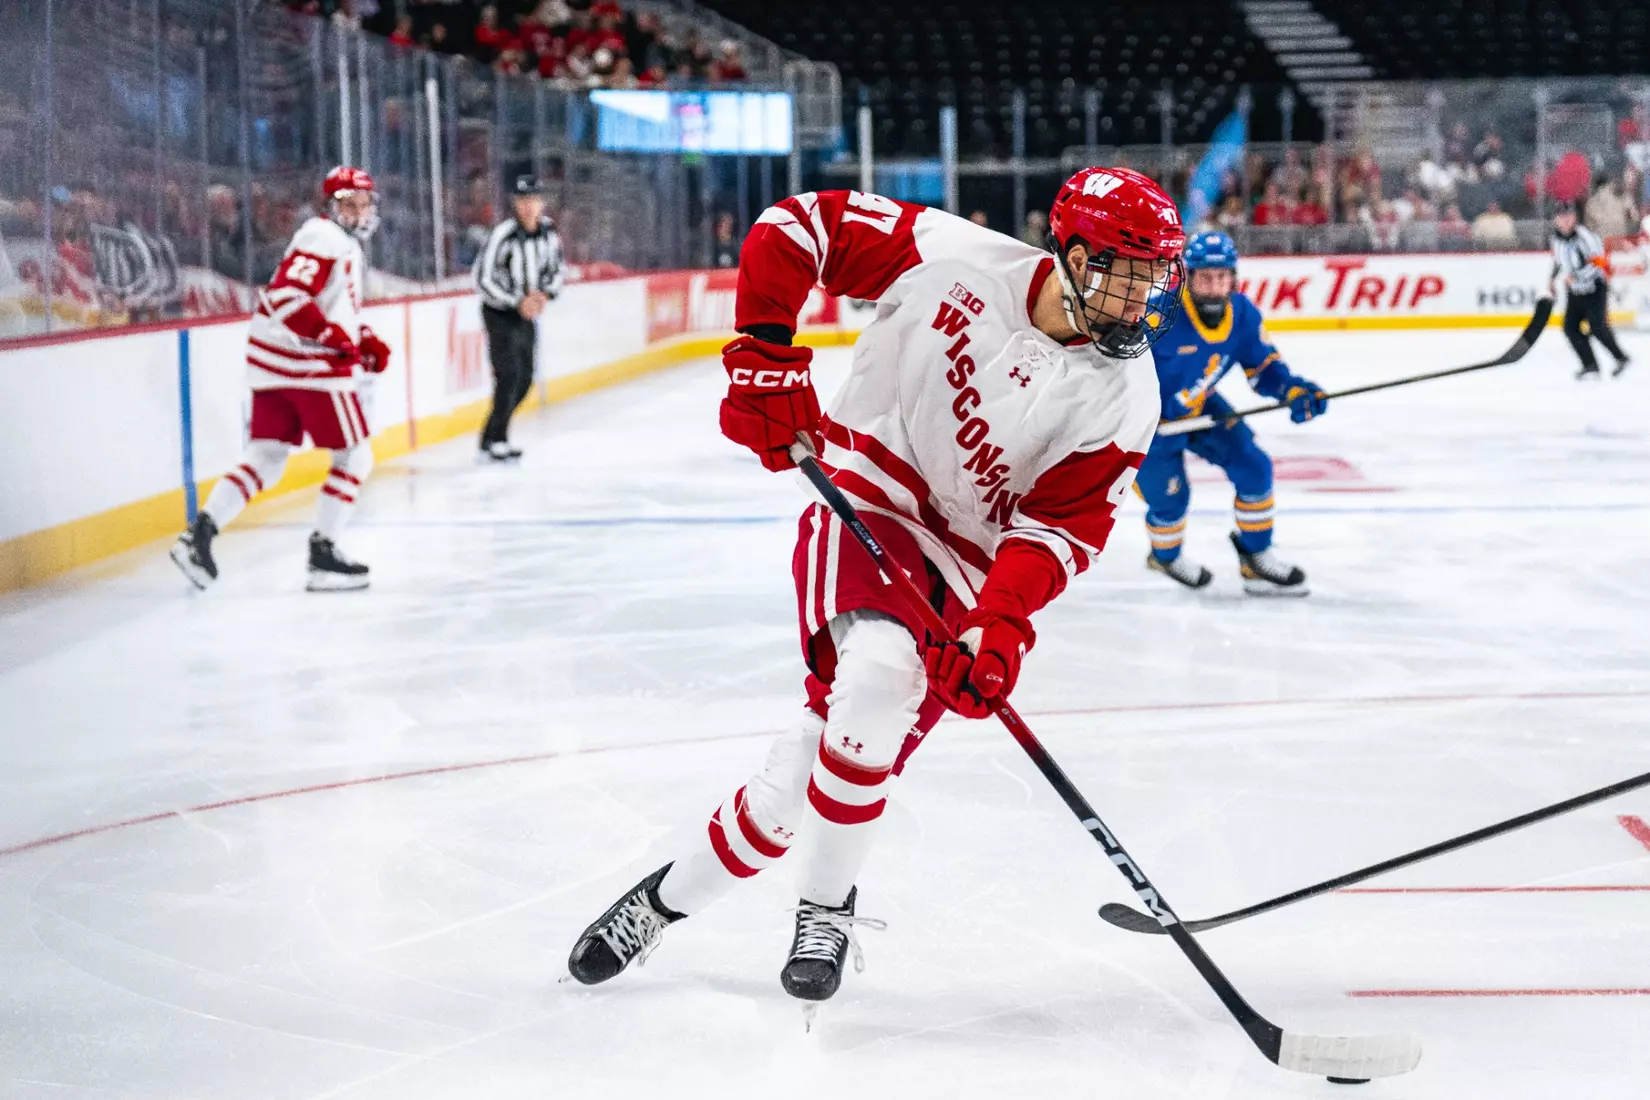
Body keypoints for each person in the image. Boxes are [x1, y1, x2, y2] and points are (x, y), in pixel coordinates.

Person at [565, 171, 1186, 1010]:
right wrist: (764, 351)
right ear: (1074, 255)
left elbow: (1059, 532)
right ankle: (826, 908)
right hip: (869, 497)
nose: (1145, 299)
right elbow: (795, 228)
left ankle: (658, 903)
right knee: (880, 676)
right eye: (1130, 274)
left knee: (792, 792)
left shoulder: (1124, 395)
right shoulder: (955, 258)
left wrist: (997, 625)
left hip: (969, 569)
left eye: (1156, 279)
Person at [170, 166, 388, 593]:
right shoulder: (327, 237)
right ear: (332, 207)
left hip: (273, 362)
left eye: (364, 203)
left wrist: (361, 339)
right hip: (307, 367)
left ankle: (198, 537)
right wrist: (329, 337)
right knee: (355, 457)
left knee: (267, 458)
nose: (359, 211)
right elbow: (288, 296)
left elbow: (327, 308)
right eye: (350, 203)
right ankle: (322, 554)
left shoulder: (332, 240)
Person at [1137, 231, 1325, 596]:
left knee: (1254, 465)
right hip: (1147, 426)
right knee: (1171, 500)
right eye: (1205, 277)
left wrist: (1292, 390)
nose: (1214, 286)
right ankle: (1165, 555)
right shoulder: (1158, 316)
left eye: (1222, 276)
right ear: (1188, 277)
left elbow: (1265, 369)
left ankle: (1255, 559)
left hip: (1200, 407)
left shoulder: (1242, 314)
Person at [474, 175, 564, 460]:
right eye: (522, 200)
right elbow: (483, 278)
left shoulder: (548, 233)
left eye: (533, 200)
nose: (528, 206)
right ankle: (497, 438)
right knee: (509, 374)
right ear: (515, 203)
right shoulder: (504, 234)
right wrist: (517, 301)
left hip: (528, 312)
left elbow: (558, 269)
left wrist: (543, 295)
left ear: (541, 202)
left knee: (525, 377)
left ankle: (491, 435)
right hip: (500, 312)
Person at [1548, 202, 1630, 380]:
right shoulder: (1555, 239)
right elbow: (1558, 260)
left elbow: (1599, 264)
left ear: (1574, 218)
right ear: (1556, 220)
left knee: (1597, 326)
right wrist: (1552, 280)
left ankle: (1621, 358)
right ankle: (1590, 365)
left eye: (1569, 217)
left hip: (1594, 288)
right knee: (1570, 328)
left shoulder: (1586, 237)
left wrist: (1577, 277)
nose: (1566, 221)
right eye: (1562, 217)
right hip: (1575, 291)